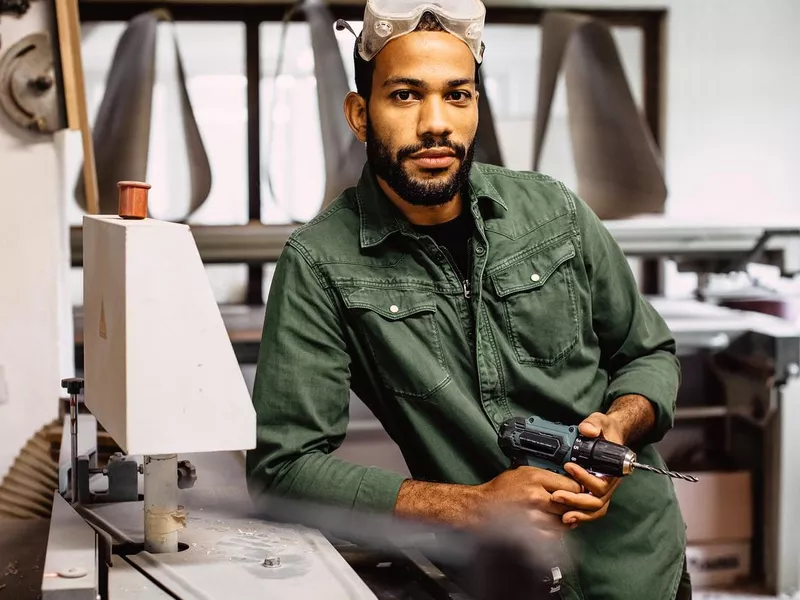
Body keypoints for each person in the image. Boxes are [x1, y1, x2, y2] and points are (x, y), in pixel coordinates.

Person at [246, 0, 691, 598]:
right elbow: (284, 469)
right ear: (360, 113)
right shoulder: (320, 263)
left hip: (640, 564)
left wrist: (618, 425)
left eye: (458, 95)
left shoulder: (554, 212)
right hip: (500, 582)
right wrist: (468, 505)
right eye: (405, 95)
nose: (436, 123)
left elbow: (648, 353)